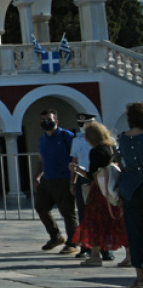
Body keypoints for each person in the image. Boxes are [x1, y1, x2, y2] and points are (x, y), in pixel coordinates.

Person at [71, 121, 126, 267]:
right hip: (113, 190)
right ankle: (130, 255)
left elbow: (94, 175)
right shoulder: (111, 148)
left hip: (100, 191)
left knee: (94, 222)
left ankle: (95, 256)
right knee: (117, 222)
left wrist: (78, 170)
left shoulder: (95, 151)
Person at [35, 108, 79, 255]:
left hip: (65, 178)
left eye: (49, 119)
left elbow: (76, 156)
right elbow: (41, 159)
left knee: (67, 212)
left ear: (56, 121)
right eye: (43, 120)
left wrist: (74, 179)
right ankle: (55, 236)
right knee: (41, 207)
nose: (46, 122)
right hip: (47, 179)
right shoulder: (42, 139)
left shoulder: (66, 136)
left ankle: (72, 242)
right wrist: (38, 175)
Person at [70, 114, 112, 261]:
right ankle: (86, 247)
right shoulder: (77, 140)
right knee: (84, 214)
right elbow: (75, 159)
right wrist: (73, 182)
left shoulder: (105, 146)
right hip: (87, 179)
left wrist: (78, 171)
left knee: (98, 217)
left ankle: (104, 250)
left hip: (95, 180)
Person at [116, 103, 143, 288]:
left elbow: (120, 162)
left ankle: (140, 278)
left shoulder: (123, 138)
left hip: (131, 190)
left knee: (135, 233)